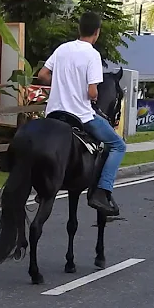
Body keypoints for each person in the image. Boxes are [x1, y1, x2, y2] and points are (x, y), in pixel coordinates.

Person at [38, 12, 126, 216]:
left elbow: (43, 75)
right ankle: (102, 192)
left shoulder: (62, 49)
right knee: (118, 145)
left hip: (53, 114)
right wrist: (92, 95)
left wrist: (63, 85)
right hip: (81, 116)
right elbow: (92, 92)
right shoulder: (92, 54)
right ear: (97, 32)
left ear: (79, 29)